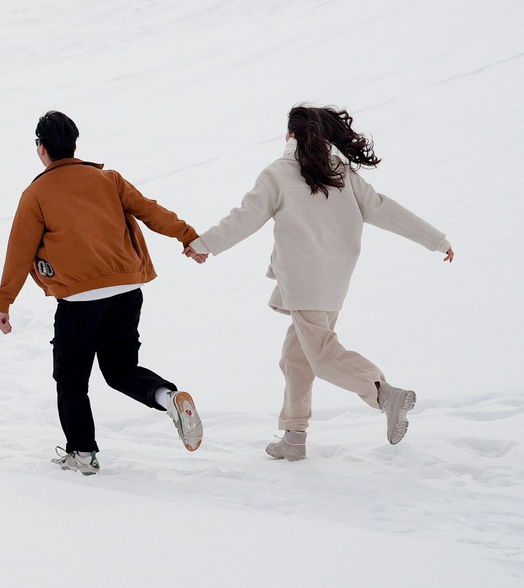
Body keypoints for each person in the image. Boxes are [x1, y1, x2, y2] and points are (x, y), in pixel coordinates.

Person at [186, 105, 452, 461]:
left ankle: (384, 394)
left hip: (303, 282)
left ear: (290, 135)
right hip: (334, 282)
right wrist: (437, 240)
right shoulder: (342, 174)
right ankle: (294, 436)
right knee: (296, 358)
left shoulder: (278, 173)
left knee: (323, 357)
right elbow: (388, 210)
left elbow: (245, 218)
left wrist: (205, 244)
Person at [0, 110, 206, 475]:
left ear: (41, 149)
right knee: (121, 369)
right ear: (75, 145)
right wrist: (188, 236)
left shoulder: (36, 194)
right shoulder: (108, 179)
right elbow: (151, 211)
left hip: (79, 302)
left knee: (71, 380)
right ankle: (167, 398)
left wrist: (4, 302)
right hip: (127, 290)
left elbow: (20, 251)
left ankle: (82, 453)